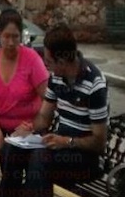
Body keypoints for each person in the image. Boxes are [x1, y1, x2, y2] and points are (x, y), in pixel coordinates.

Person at [13, 24, 108, 196]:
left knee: (40, 160)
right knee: (13, 151)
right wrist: (29, 129)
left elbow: (99, 143)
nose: (46, 65)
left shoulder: (94, 84)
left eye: (48, 62)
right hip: (61, 149)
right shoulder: (56, 78)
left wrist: (66, 141)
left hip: (86, 158)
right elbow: (44, 117)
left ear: (62, 61)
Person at [0, 9, 49, 197]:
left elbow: (49, 99)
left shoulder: (32, 59)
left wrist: (32, 126)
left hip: (26, 128)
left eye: (15, 37)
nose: (10, 42)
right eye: (6, 36)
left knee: (11, 153)